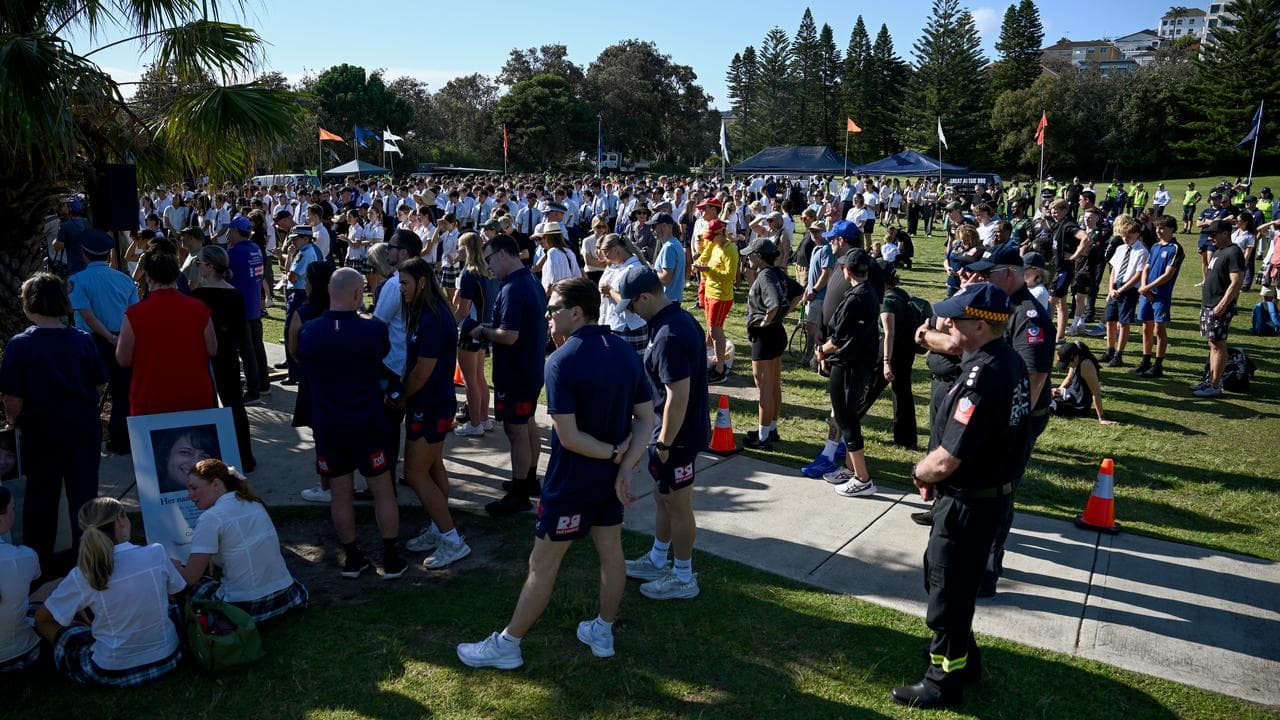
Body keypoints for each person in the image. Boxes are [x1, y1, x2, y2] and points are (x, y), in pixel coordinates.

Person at [456, 277, 652, 669]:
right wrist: (624, 465)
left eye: (553, 309)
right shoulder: (624, 351)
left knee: (541, 565)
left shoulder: (561, 361)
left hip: (572, 483)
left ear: (576, 313)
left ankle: (508, 644)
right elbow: (646, 419)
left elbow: (571, 436)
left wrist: (617, 456)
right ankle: (603, 630)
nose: (547, 316)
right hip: (608, 481)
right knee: (611, 554)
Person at [892, 283, 1029, 709]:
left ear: (982, 326)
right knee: (955, 582)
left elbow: (947, 459)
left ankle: (941, 681)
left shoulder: (981, 375)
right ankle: (966, 659)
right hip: (990, 497)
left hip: (968, 502)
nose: (948, 323)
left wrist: (919, 470)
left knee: (946, 593)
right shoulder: (1007, 361)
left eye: (957, 318)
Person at [298, 268, 405, 578]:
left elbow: (302, 358)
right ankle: (391, 556)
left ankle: (352, 556)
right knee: (383, 490)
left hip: (329, 426)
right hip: (369, 423)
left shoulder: (310, 332)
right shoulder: (373, 332)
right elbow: (382, 358)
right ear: (358, 295)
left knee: (340, 492)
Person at [612, 265, 710, 600]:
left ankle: (683, 576)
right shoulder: (672, 322)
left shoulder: (668, 334)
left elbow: (677, 397)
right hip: (669, 434)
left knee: (679, 504)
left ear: (645, 297)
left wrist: (664, 443)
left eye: (633, 304)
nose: (632, 312)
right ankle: (657, 558)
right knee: (662, 496)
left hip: (677, 436)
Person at [1, 273, 107, 567]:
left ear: (29, 303)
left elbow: (13, 398)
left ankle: (38, 565)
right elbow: (98, 384)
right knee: (84, 499)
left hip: (42, 431)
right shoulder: (83, 340)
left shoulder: (20, 345)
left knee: (41, 500)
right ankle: (87, 563)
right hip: (83, 427)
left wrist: (12, 422)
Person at [34, 497, 185, 687]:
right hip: (168, 657)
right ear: (121, 520)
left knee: (61, 629)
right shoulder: (156, 553)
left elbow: (42, 618)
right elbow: (176, 592)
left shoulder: (83, 574)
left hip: (112, 670)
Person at [395, 258, 472, 569]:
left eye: (405, 283)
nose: (401, 290)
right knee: (432, 465)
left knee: (413, 473)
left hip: (429, 405)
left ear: (422, 282)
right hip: (434, 403)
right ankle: (439, 527)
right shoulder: (430, 313)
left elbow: (422, 372)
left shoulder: (431, 318)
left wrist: (400, 397)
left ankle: (452, 539)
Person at [468, 234, 547, 517]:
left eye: (489, 259)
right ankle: (527, 481)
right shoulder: (529, 281)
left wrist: (482, 331)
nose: (488, 266)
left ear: (503, 254)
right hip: (530, 368)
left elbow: (509, 335)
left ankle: (520, 493)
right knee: (526, 424)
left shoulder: (514, 288)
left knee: (516, 431)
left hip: (517, 372)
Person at [177, 459, 309, 622]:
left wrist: (174, 566)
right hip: (285, 596)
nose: (190, 495)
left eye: (194, 487)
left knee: (183, 583)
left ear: (216, 484)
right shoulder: (254, 503)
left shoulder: (211, 518)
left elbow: (189, 579)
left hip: (245, 607)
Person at [116, 248, 217, 415]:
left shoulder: (135, 314)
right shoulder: (199, 308)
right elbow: (212, 349)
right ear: (176, 276)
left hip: (151, 397)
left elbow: (123, 359)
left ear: (148, 278)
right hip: (194, 394)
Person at [815, 249, 879, 497]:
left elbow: (839, 339)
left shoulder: (856, 298)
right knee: (847, 417)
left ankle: (862, 478)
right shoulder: (869, 292)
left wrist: (821, 350)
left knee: (846, 418)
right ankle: (851, 469)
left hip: (850, 365)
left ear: (847, 271)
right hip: (857, 362)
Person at [67, 229, 138, 454]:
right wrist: (116, 338)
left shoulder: (77, 280)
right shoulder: (124, 279)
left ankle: (86, 441)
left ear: (84, 254)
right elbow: (133, 313)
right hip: (121, 337)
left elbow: (86, 314)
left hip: (90, 341)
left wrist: (107, 337)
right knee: (122, 393)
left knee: (87, 393)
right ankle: (121, 441)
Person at [191, 245, 256, 472]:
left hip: (205, 358)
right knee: (235, 407)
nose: (196, 266)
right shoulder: (234, 293)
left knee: (209, 408)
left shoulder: (199, 296)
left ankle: (213, 459)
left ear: (209, 267)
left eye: (198, 263)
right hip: (227, 356)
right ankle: (245, 457)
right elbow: (241, 334)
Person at [289, 261, 336, 503]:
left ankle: (327, 485)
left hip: (314, 382)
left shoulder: (302, 312)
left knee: (321, 435)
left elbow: (293, 349)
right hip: (339, 380)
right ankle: (338, 481)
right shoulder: (342, 310)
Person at [858, 262, 918, 449]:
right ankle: (906, 439)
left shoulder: (888, 301)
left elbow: (888, 333)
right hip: (906, 351)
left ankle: (848, 424)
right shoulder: (902, 294)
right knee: (902, 393)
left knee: (868, 390)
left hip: (889, 351)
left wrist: (885, 362)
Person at [1193, 220, 1246, 398]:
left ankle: (1215, 385)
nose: (1210, 237)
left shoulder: (1234, 252)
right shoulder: (1219, 251)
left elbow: (1237, 281)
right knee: (1212, 343)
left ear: (1225, 233)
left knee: (1218, 344)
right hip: (1209, 304)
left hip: (1218, 307)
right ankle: (1210, 380)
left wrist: (1222, 305)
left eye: (1214, 234)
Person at [453, 232, 494, 437]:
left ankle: (475, 423)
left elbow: (463, 309)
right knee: (479, 378)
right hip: (484, 328)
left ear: (467, 248)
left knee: (471, 381)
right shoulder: (485, 271)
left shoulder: (468, 273)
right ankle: (484, 419)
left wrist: (452, 323)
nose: (457, 250)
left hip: (471, 329)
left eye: (460, 246)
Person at [1134, 215, 1185, 378]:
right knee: (1146, 327)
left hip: (1160, 296)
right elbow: (1146, 267)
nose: (1158, 230)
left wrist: (1148, 287)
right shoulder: (1155, 246)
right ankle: (1145, 360)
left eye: (1162, 228)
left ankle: (1158, 364)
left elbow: (1168, 275)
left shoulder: (1175, 248)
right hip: (1146, 294)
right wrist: (1143, 286)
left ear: (1171, 229)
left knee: (1159, 329)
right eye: (1157, 227)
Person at [0, 485, 43, 672]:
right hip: (23, 652)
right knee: (54, 587)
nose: (14, 513)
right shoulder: (24, 556)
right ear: (2, 518)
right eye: (12, 508)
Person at [224, 215, 268, 402]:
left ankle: (253, 390)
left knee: (246, 350)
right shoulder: (255, 248)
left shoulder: (234, 253)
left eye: (230, 230)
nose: (227, 234)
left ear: (235, 231)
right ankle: (263, 384)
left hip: (240, 307)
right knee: (257, 347)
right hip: (254, 304)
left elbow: (225, 274)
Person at [1099, 215, 1149, 368]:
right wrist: (1111, 288)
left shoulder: (1142, 251)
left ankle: (1119, 353)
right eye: (1123, 236)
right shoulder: (1121, 248)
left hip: (1128, 289)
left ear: (1137, 235)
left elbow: (1138, 275)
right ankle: (1110, 349)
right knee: (1110, 320)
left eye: (1129, 236)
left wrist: (1121, 289)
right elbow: (1114, 268)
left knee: (1124, 322)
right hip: (1116, 287)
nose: (1126, 239)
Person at [693, 219, 739, 383]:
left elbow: (730, 276)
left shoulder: (730, 250)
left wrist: (709, 271)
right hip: (709, 292)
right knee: (710, 328)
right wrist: (697, 264)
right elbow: (704, 258)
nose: (710, 240)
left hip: (721, 296)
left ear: (721, 233)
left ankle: (720, 368)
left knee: (715, 331)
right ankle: (710, 359)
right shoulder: (714, 245)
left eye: (712, 237)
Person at [597, 232, 651, 352]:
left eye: (606, 253)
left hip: (628, 328)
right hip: (617, 326)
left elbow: (628, 304)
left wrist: (610, 291)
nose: (605, 257)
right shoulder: (618, 266)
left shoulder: (633, 269)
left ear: (616, 249)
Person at [1051, 343, 1115, 423]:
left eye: (1067, 363)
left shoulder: (1086, 366)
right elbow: (1069, 378)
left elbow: (1096, 393)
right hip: (1071, 393)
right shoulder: (1076, 359)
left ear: (1075, 357)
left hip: (1078, 405)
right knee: (1044, 388)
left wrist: (1101, 418)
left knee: (1047, 405)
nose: (1067, 366)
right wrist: (1058, 390)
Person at [650, 213, 686, 304]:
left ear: (664, 226)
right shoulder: (675, 243)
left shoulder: (669, 248)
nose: (651, 230)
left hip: (666, 302)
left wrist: (651, 271)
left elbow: (666, 278)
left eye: (653, 226)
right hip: (672, 300)